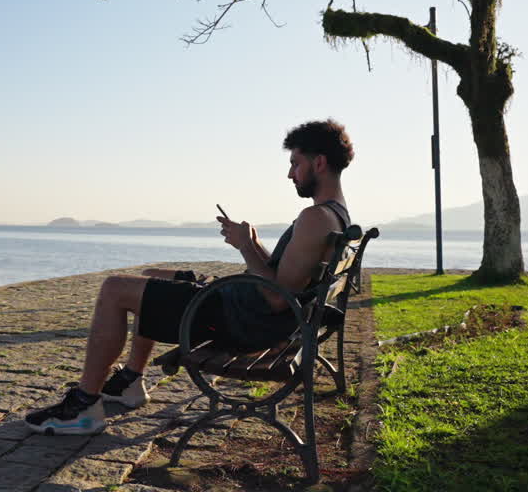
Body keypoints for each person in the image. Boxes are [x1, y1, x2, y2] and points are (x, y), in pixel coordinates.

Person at [24, 119, 354, 435]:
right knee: (154, 278)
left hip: (239, 321)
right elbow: (283, 280)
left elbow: (277, 297)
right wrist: (253, 243)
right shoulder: (335, 216)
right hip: (245, 310)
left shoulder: (314, 218)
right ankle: (131, 381)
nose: (290, 174)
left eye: (295, 164)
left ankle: (84, 406)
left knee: (114, 289)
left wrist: (243, 246)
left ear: (319, 163)